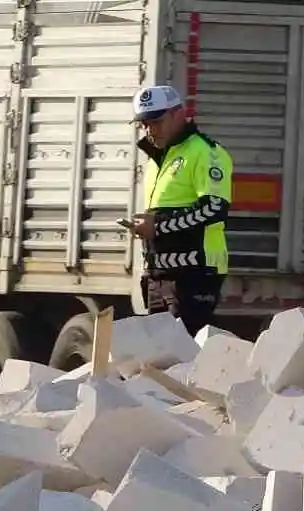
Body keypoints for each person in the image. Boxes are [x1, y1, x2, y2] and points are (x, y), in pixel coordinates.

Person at [129, 85, 233, 336]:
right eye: (144, 124)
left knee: (182, 358)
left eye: (157, 121)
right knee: (160, 358)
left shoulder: (206, 152)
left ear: (179, 114)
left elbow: (214, 208)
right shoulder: (158, 159)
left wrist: (157, 226)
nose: (150, 130)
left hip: (194, 273)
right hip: (159, 275)